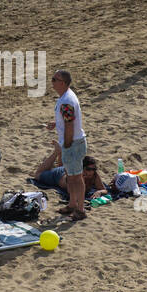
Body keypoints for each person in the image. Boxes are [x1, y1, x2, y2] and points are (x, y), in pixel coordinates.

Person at [50, 69, 87, 219]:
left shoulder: (66, 100)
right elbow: (68, 121)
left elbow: (70, 125)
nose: (52, 82)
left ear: (63, 83)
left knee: (76, 178)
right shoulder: (66, 97)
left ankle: (81, 209)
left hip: (73, 143)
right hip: (72, 141)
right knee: (71, 176)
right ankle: (72, 204)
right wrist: (56, 124)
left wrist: (66, 145)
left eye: (54, 79)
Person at [33, 153, 107, 201]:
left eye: (93, 169)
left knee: (63, 167)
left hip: (67, 170)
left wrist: (99, 192)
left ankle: (60, 155)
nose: (91, 171)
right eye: (88, 169)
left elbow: (104, 190)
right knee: (38, 175)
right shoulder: (74, 177)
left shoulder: (94, 175)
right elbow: (72, 192)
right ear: (82, 168)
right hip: (58, 175)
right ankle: (56, 152)